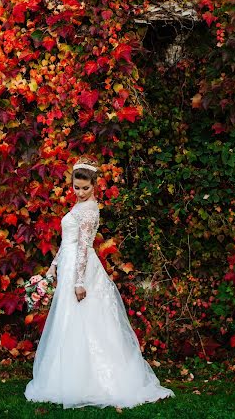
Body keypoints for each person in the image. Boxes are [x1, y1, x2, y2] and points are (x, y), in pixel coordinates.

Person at [24, 156, 175, 409]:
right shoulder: (77, 207)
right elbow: (67, 243)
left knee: (86, 320)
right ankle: (68, 375)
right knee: (68, 321)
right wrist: (52, 269)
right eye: (76, 187)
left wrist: (79, 281)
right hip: (69, 265)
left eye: (86, 188)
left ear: (95, 185)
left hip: (81, 270)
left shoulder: (90, 211)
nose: (80, 192)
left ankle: (94, 380)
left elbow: (84, 246)